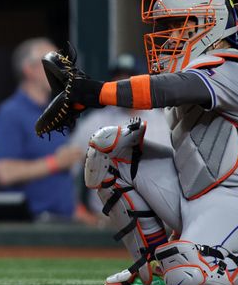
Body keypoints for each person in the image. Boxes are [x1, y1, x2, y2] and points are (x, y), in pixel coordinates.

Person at [69, 0, 238, 285]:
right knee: (110, 147)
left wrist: (95, 92)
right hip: (198, 195)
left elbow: (168, 90)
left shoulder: (231, 67)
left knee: (186, 276)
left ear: (206, 25)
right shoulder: (197, 70)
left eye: (176, 25)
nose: (166, 37)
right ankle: (153, 267)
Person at [0, 38, 85, 221]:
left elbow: (61, 179)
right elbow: (4, 173)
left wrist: (79, 211)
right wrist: (55, 163)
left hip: (64, 222)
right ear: (29, 70)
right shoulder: (10, 113)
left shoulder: (56, 110)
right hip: (30, 226)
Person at [68, 55, 172, 217]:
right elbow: (69, 167)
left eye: (130, 80)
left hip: (160, 219)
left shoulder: (164, 121)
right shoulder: (95, 121)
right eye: (119, 80)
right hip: (107, 222)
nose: (123, 87)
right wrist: (76, 210)